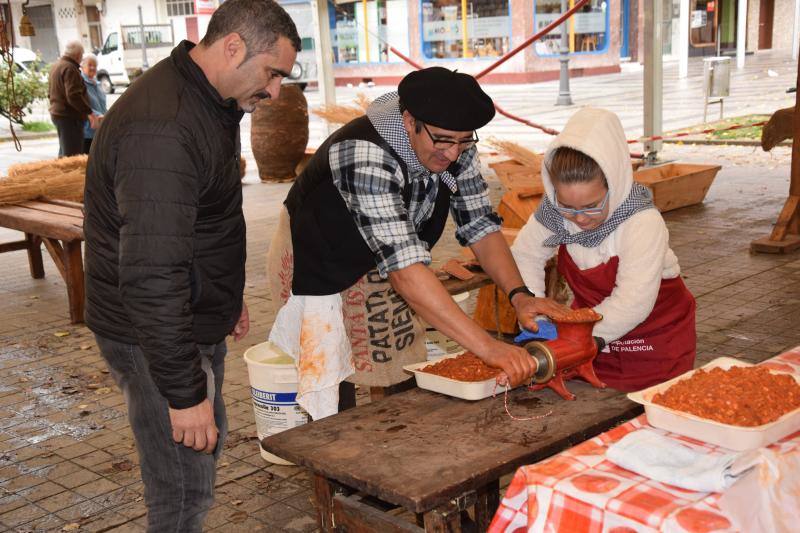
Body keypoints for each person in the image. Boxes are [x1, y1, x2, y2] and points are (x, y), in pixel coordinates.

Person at [82, 0, 299, 530]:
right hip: (152, 337)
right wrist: (183, 394)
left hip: (183, 319)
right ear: (233, 47)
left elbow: (200, 221)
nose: (275, 92)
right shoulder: (164, 126)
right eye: (273, 73)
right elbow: (150, 274)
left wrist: (224, 295)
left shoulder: (209, 100)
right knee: (182, 493)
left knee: (197, 466)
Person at [268, 67, 568, 419]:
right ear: (410, 121)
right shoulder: (364, 152)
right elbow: (405, 270)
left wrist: (520, 295)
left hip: (386, 256)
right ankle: (334, 444)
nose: (453, 154)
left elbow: (480, 226)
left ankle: (396, 438)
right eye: (443, 141)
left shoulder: (454, 144)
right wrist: (488, 347)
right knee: (331, 376)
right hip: (320, 255)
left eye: (464, 141)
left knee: (399, 369)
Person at [512, 107, 696, 392]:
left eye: (591, 206)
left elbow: (633, 301)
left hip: (655, 344)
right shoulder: (554, 213)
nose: (580, 218)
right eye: (568, 206)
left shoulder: (642, 221)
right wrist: (537, 319)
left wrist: (575, 338)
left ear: (615, 183)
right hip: (590, 342)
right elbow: (526, 254)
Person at [48, 40, 95, 157]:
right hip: (69, 117)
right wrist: (88, 111)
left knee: (65, 152)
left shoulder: (56, 66)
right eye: (82, 55)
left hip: (59, 114)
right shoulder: (70, 68)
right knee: (72, 155)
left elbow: (50, 92)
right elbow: (73, 95)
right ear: (78, 55)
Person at [80, 53, 106, 154]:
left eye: (95, 65)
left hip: (100, 129)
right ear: (82, 66)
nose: (92, 68)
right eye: (90, 65)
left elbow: (102, 105)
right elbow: (82, 104)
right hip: (88, 130)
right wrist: (98, 115)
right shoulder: (81, 82)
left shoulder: (97, 84)